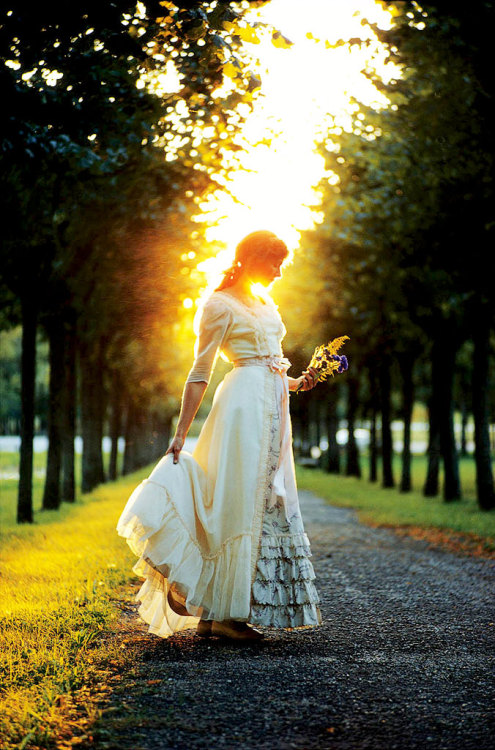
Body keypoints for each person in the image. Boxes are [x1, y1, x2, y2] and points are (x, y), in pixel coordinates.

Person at [117, 230, 322, 642]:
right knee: (238, 498)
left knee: (262, 498)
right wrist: (180, 431)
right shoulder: (218, 304)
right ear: (250, 259)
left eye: (283, 264)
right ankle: (224, 616)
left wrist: (299, 382)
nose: (279, 272)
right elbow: (200, 373)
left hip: (272, 405)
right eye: (274, 263)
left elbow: (270, 363)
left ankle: (218, 615)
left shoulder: (264, 302)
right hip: (242, 408)